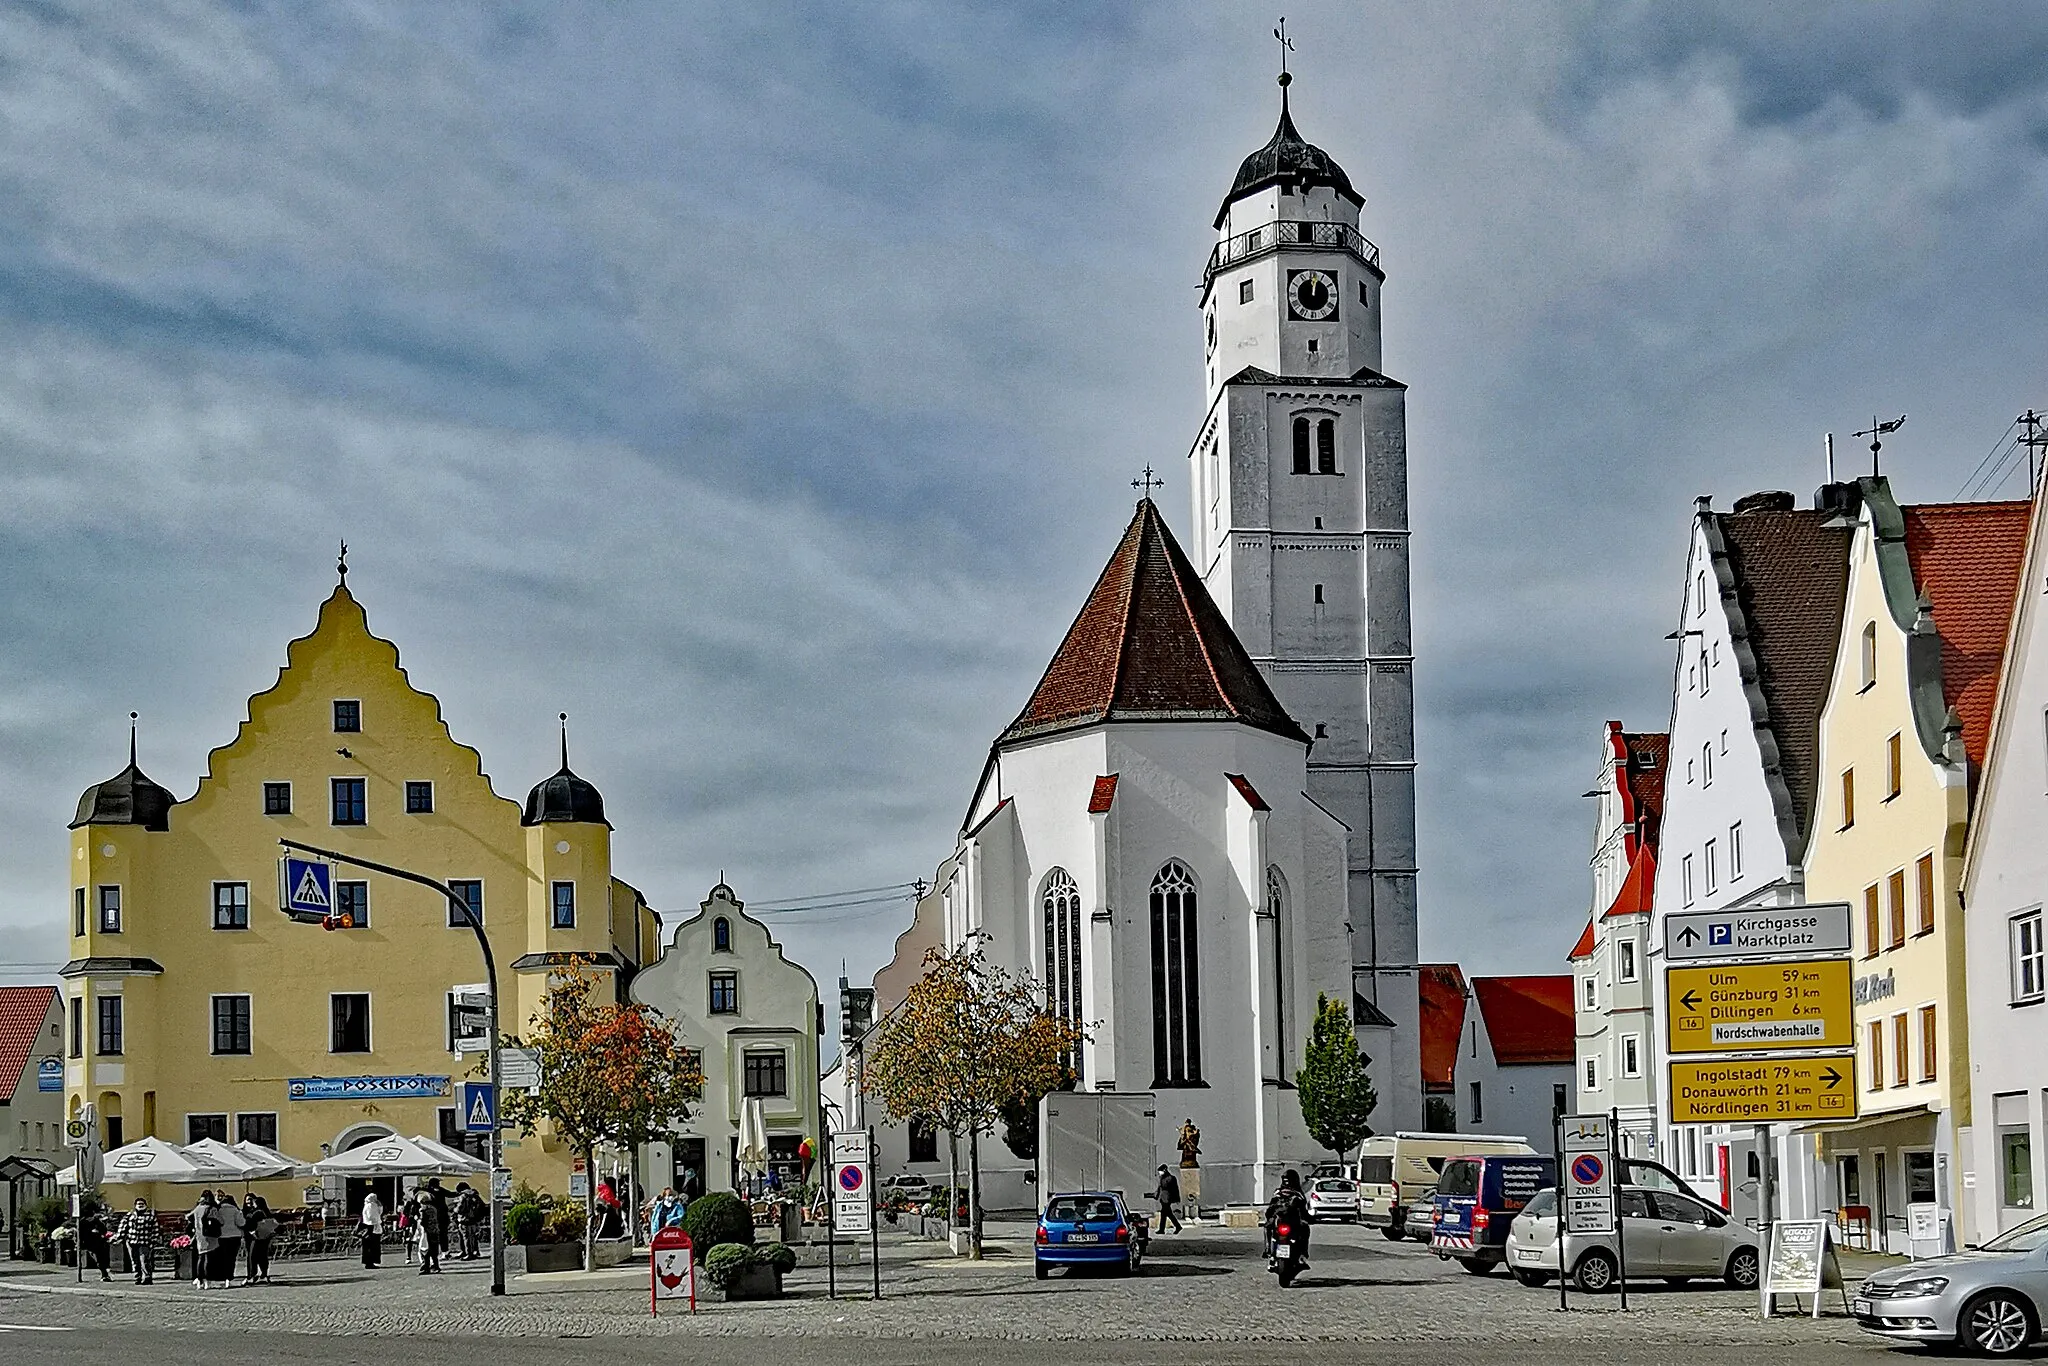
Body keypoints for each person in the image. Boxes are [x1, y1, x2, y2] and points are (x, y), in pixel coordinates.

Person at [1263, 1169, 1311, 1269]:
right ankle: (1303, 1254)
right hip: (1291, 1222)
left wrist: (1269, 1217)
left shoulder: (1278, 1192)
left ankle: (1268, 1250)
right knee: (1305, 1229)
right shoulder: (1298, 1194)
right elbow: (1304, 1211)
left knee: (1267, 1227)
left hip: (1279, 1221)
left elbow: (1270, 1209)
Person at [117, 1198, 159, 1284]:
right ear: (135, 1205)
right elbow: (123, 1227)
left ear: (145, 1205)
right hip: (132, 1242)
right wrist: (119, 1237)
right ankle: (137, 1277)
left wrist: (154, 1241)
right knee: (134, 1261)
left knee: (145, 1260)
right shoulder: (130, 1215)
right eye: (138, 1204)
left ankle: (147, 1278)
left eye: (142, 1203)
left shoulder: (150, 1216)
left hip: (145, 1242)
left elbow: (155, 1229)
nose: (140, 1205)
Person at [212, 1187, 245, 1286]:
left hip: (222, 1237)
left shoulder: (218, 1210)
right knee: (231, 1258)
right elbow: (241, 1223)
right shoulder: (235, 1210)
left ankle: (222, 1276)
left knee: (222, 1258)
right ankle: (229, 1277)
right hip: (235, 1237)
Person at [188, 1191, 221, 1289]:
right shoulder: (212, 1209)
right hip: (210, 1235)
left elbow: (188, 1216)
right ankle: (207, 1280)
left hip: (199, 1235)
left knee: (201, 1258)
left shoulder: (198, 1208)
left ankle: (199, 1280)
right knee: (208, 1259)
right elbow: (221, 1221)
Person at [244, 1194, 278, 1284]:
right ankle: (264, 1274)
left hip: (257, 1237)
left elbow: (250, 1224)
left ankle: (252, 1275)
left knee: (252, 1256)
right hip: (266, 1237)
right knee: (263, 1256)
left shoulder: (257, 1212)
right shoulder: (266, 1212)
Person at [80, 1205, 111, 1281]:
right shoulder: (92, 1221)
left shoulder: (83, 1221)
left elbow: (79, 1233)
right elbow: (104, 1230)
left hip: (91, 1243)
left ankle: (104, 1274)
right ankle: (105, 1274)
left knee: (98, 1259)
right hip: (95, 1242)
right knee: (100, 1259)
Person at [416, 1189, 444, 1274]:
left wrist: (418, 1220)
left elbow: (423, 1221)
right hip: (435, 1230)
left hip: (426, 1231)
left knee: (425, 1249)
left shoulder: (422, 1209)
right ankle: (436, 1266)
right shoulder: (434, 1208)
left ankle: (425, 1267)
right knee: (434, 1249)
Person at [454, 1184, 484, 1260]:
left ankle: (468, 1253)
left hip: (465, 1219)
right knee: (473, 1236)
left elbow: (460, 1209)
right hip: (474, 1219)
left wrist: (455, 1209)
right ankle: (475, 1251)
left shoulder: (463, 1196)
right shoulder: (475, 1195)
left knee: (465, 1237)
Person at [1153, 1164, 1184, 1234]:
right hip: (1163, 1198)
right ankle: (1163, 1229)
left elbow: (1174, 1189)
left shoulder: (1171, 1178)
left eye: (1160, 1171)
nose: (1159, 1173)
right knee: (1165, 1214)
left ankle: (1176, 1227)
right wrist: (1157, 1196)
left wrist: (1175, 1198)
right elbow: (1160, 1188)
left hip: (1167, 1198)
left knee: (1166, 1214)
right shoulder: (1162, 1178)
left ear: (1165, 1170)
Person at [359, 1191, 384, 1269]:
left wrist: (380, 1206)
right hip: (372, 1227)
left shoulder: (368, 1205)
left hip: (370, 1227)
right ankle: (370, 1262)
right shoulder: (371, 1205)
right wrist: (376, 1222)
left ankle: (370, 1262)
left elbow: (378, 1213)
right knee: (372, 1246)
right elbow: (373, 1216)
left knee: (370, 1246)